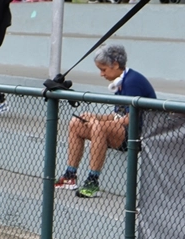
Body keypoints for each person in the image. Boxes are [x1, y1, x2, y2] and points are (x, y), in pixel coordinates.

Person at [55, 43, 156, 199]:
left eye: (103, 69)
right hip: (123, 129)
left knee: (99, 128)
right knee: (76, 124)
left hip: (140, 134)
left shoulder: (132, 82)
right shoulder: (120, 81)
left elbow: (130, 119)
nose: (101, 74)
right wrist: (94, 117)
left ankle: (93, 181)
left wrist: (97, 124)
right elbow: (118, 115)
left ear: (115, 65)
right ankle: (70, 175)